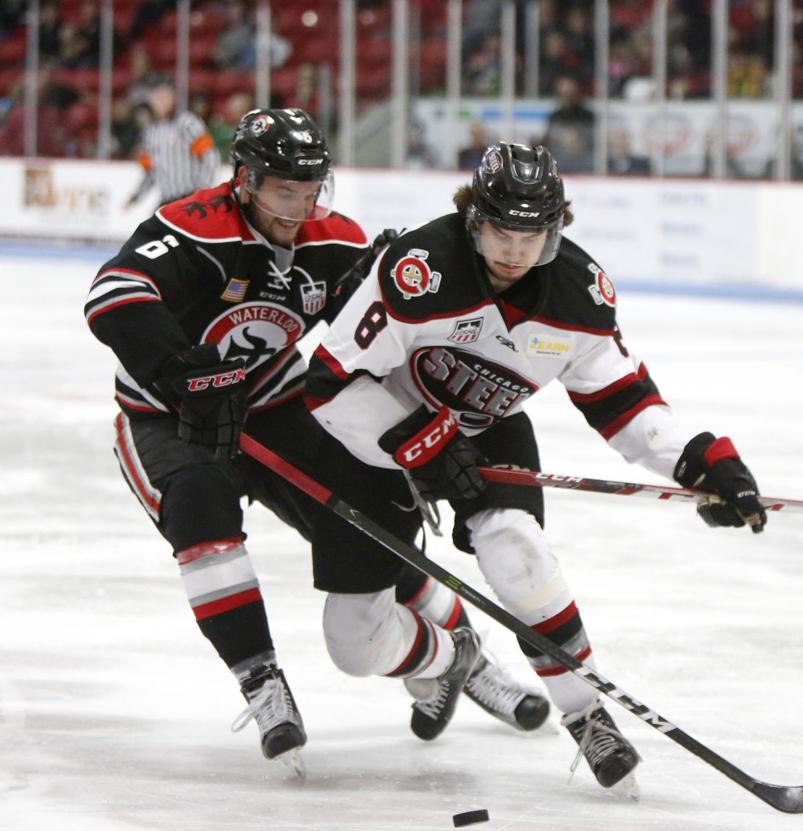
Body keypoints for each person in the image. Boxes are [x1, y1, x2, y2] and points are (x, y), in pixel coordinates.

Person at [85, 108, 549, 773]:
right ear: (244, 178)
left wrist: (432, 425)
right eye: (283, 190)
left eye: (311, 190)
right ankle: (261, 679)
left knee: (365, 524)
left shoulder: (331, 239)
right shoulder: (194, 227)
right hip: (168, 415)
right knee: (200, 513)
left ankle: (459, 658)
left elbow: (376, 338)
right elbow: (115, 292)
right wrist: (177, 371)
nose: (300, 207)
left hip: (274, 400)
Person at [305, 142, 767, 791]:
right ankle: (449, 654)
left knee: (517, 551)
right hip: (377, 430)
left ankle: (586, 714)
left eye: (532, 233)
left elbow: (626, 401)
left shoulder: (579, 295)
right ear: (475, 219)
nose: (515, 250)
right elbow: (328, 385)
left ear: (555, 228)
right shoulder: (419, 267)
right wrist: (423, 442)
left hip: (488, 430)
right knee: (351, 643)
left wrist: (701, 461)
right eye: (501, 230)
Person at [124, 74, 219, 209]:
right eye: (156, 96)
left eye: (164, 96)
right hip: (167, 200)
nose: (160, 101)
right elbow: (150, 173)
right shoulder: (150, 132)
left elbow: (210, 156)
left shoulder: (187, 122)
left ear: (173, 96)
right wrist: (136, 197)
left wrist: (202, 191)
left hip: (189, 196)